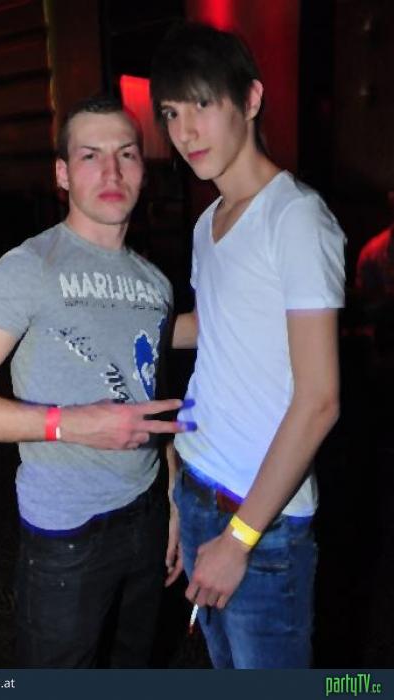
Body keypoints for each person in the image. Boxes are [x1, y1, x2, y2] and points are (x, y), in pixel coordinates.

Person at [0, 95, 195, 668]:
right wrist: (69, 424)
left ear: (143, 170)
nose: (111, 171)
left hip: (146, 515)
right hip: (67, 532)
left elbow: (150, 396)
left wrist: (172, 502)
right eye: (90, 155)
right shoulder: (29, 267)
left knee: (135, 666)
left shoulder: (155, 284)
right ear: (63, 173)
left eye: (126, 154)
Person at [151, 23, 346, 669]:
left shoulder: (295, 217)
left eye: (202, 104)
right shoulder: (208, 222)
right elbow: (217, 326)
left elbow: (319, 401)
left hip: (259, 521)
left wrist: (238, 539)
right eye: (170, 112)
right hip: (197, 487)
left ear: (252, 99)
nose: (184, 132)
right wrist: (118, 317)